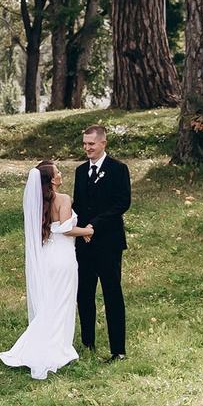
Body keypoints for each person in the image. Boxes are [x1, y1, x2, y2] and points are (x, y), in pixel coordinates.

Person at [0, 159, 81, 379]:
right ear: (52, 180)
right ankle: (56, 349)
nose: (60, 174)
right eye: (57, 172)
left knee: (51, 302)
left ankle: (46, 345)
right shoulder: (63, 199)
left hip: (47, 257)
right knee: (61, 302)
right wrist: (88, 231)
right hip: (62, 257)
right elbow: (66, 228)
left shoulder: (40, 203)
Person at [69, 124, 128, 359]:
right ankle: (88, 344)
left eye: (91, 144)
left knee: (112, 294)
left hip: (109, 243)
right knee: (84, 294)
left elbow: (122, 202)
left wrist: (94, 226)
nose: (87, 148)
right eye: (85, 144)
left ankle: (118, 350)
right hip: (84, 244)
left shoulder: (118, 169)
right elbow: (78, 204)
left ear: (103, 143)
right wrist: (77, 227)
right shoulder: (80, 171)